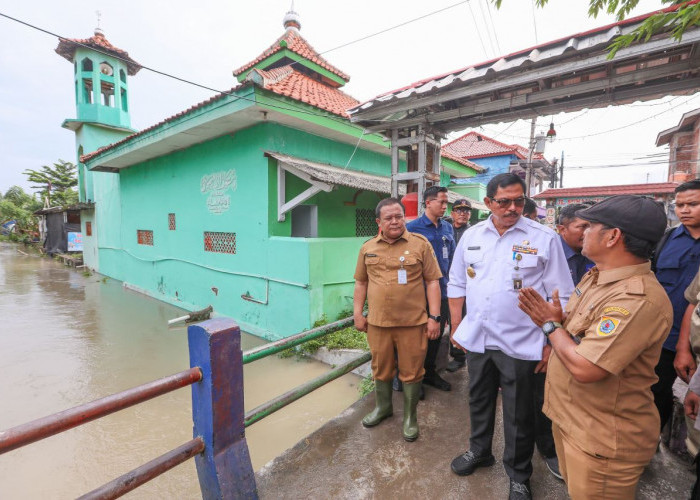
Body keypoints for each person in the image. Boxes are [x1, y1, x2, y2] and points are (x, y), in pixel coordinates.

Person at [518, 195, 672, 500]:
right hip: (573, 420)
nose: (582, 232)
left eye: (589, 226)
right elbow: (577, 329)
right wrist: (559, 322)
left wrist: (549, 325)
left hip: (601, 437)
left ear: (613, 236)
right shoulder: (597, 275)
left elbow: (587, 368)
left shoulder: (635, 299)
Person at [447, 173, 574, 500]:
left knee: (518, 411)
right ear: (488, 203)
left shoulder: (543, 238)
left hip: (521, 342)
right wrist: (458, 328)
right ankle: (480, 450)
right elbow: (458, 283)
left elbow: (562, 295)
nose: (513, 207)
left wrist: (551, 343)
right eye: (504, 201)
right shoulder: (472, 236)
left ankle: (518, 475)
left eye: (519, 200)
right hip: (478, 337)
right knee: (478, 398)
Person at [353, 197, 442, 442]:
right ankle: (383, 407)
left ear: (405, 217)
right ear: (379, 222)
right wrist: (358, 313)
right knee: (381, 369)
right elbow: (361, 283)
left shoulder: (420, 245)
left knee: (412, 372)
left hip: (413, 323)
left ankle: (410, 417)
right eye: (389, 218)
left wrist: (434, 317)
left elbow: (433, 282)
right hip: (378, 324)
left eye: (399, 216)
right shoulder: (367, 248)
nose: (395, 221)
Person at [652, 180, 700, 435]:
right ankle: (650, 441)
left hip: (697, 338)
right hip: (665, 336)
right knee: (656, 392)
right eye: (680, 205)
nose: (685, 210)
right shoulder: (667, 239)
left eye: (693, 204)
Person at [405, 185, 456, 392]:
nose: (445, 206)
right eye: (441, 202)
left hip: (442, 291)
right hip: (418, 293)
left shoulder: (447, 228)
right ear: (428, 202)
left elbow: (452, 259)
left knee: (435, 334)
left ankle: (430, 372)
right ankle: (412, 377)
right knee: (415, 336)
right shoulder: (412, 228)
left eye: (446, 202)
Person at [446, 199, 472, 373]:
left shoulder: (473, 233)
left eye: (466, 210)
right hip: (447, 282)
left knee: (464, 318)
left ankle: (461, 356)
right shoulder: (445, 230)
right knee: (450, 317)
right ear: (453, 213)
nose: (463, 213)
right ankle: (456, 352)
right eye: (459, 210)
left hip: (468, 284)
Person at [557, 203, 595, 287]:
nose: (588, 232)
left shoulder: (597, 253)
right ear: (562, 229)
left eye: (592, 226)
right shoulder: (550, 253)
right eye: (583, 226)